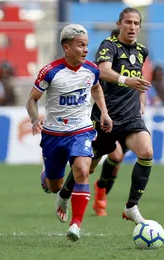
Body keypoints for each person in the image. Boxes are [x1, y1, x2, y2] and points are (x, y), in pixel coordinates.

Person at [56, 7, 153, 224]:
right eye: (128, 22)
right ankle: (64, 194)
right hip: (105, 116)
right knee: (87, 167)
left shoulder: (142, 51)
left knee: (146, 151)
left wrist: (142, 100)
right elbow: (104, 71)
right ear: (119, 24)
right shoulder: (109, 46)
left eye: (136, 23)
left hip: (131, 117)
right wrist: (126, 81)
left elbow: (139, 77)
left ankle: (131, 206)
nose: (132, 27)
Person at [26, 24, 112, 241]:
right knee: (54, 186)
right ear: (67, 47)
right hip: (53, 135)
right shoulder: (50, 71)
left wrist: (103, 112)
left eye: (86, 45)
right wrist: (36, 119)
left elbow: (96, 88)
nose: (85, 50)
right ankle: (48, 178)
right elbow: (32, 99)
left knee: (83, 170)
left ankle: (76, 225)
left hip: (81, 130)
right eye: (80, 45)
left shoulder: (92, 70)